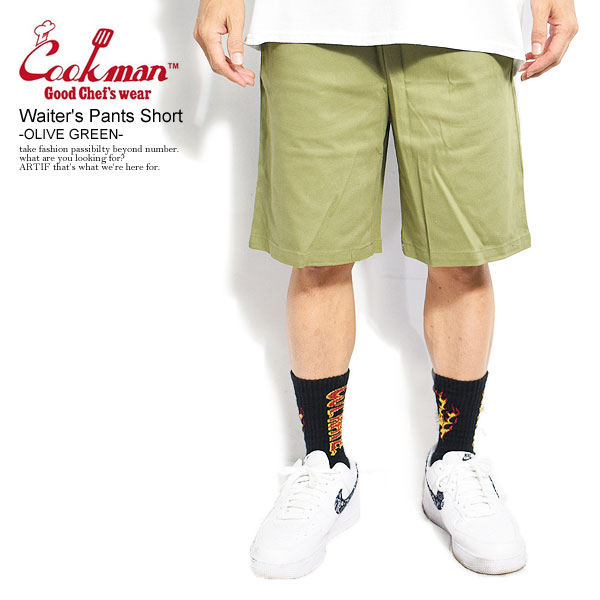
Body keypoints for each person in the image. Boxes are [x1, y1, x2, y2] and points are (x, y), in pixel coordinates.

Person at [194, 0, 578, 578]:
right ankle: (326, 466)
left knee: (462, 255)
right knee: (317, 256)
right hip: (308, 21)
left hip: (466, 21)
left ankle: (454, 458)